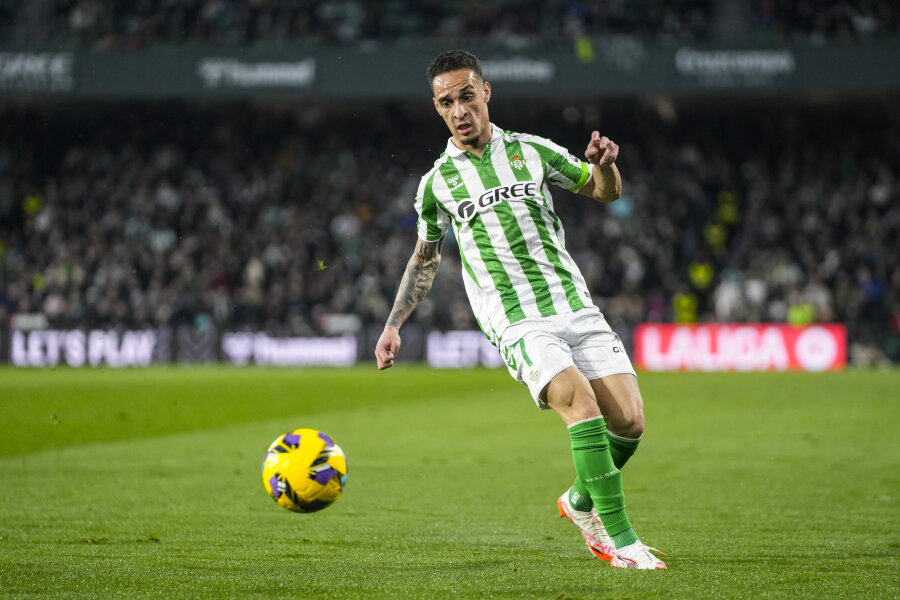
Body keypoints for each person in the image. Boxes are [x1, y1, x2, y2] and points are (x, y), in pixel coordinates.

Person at [374, 49, 666, 570]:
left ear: (486, 92)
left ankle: (578, 501)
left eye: (467, 96)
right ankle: (623, 543)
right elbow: (425, 257)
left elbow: (604, 192)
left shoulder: (533, 151)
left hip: (574, 304)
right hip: (514, 318)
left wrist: (606, 166)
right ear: (437, 108)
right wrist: (394, 324)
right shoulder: (436, 184)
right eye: (447, 103)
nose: (459, 110)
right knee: (580, 404)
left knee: (630, 422)